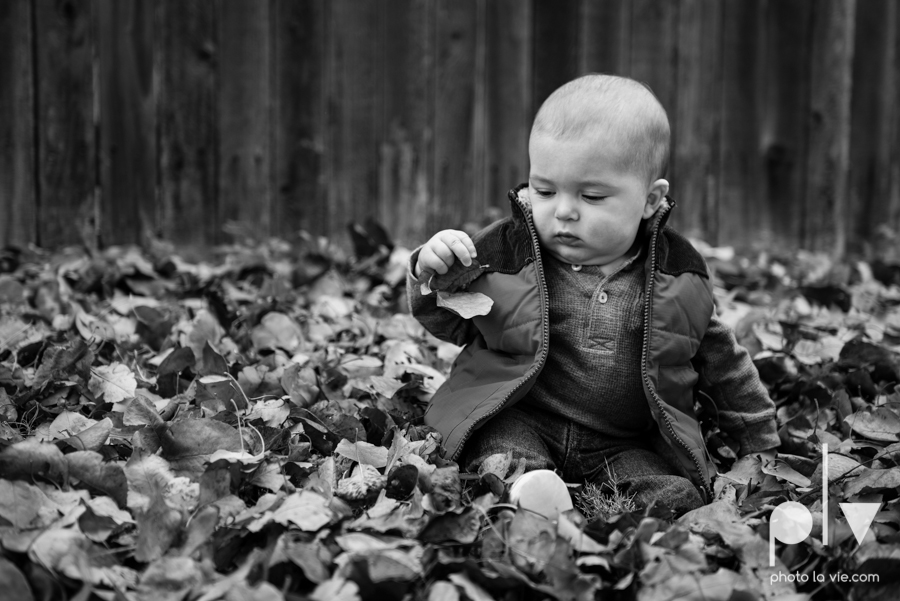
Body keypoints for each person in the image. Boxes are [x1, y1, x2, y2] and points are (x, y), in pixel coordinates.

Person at [406, 74, 780, 518]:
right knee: (499, 453)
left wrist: (759, 447)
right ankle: (531, 494)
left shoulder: (675, 281)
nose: (563, 210)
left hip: (620, 442)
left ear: (649, 199)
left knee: (675, 495)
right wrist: (432, 272)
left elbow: (725, 365)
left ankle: (598, 510)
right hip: (523, 417)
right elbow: (446, 319)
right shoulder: (509, 256)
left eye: (592, 195)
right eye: (544, 190)